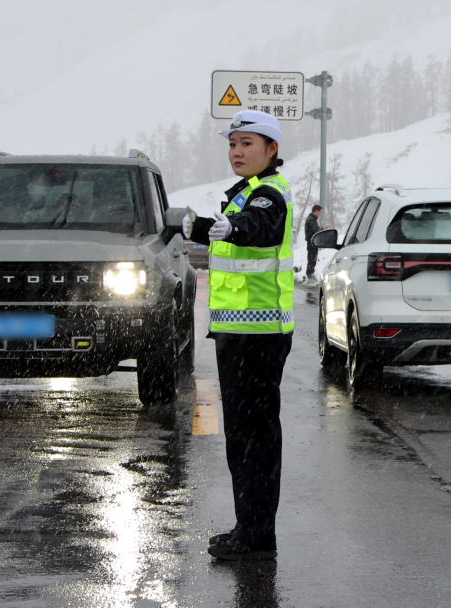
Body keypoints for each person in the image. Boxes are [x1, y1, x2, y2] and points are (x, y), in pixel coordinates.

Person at [182, 109, 294, 561]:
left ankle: (256, 538)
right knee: (243, 439)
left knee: (254, 441)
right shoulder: (245, 193)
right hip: (239, 333)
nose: (237, 152)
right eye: (232, 144)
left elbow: (259, 228)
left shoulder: (269, 195)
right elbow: (231, 235)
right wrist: (196, 228)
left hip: (258, 336)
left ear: (271, 149)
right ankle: (248, 527)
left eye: (247, 143)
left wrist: (234, 227)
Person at [303, 205, 327, 284]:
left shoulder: (312, 219)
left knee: (313, 259)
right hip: (312, 243)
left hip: (313, 242)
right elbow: (315, 231)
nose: (320, 214)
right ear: (316, 211)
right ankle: (310, 276)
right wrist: (322, 229)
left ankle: (311, 275)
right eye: (320, 212)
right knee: (311, 259)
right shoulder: (311, 220)